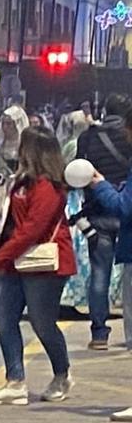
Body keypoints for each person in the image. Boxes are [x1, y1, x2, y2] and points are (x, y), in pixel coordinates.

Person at [0, 126, 75, 406]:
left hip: (43, 266)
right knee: (4, 316)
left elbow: (33, 228)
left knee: (42, 322)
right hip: (13, 262)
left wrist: (3, 255)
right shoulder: (20, 182)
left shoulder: (48, 187)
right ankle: (15, 380)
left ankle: (62, 373)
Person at [75, 99, 132, 350]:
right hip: (126, 217)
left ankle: (99, 333)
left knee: (100, 274)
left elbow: (77, 173)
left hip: (99, 210)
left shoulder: (88, 138)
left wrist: (98, 184)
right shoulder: (126, 142)